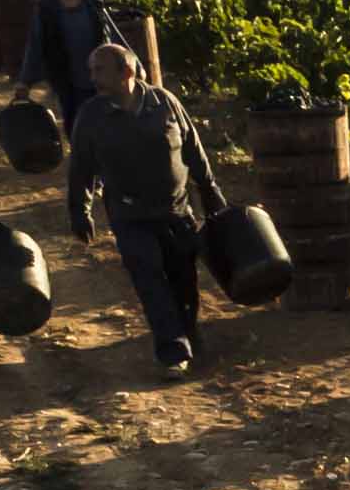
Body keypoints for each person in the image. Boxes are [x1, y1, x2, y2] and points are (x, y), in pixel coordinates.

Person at [62, 39, 229, 377]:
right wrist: (80, 211)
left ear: (126, 71)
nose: (93, 78)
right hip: (130, 216)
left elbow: (193, 150)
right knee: (150, 279)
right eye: (91, 71)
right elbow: (80, 168)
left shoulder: (163, 102)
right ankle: (172, 352)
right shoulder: (92, 116)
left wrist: (210, 190)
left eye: (100, 70)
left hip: (176, 211)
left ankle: (187, 334)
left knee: (184, 280)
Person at [18, 0, 126, 125]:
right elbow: (35, 46)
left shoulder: (94, 6)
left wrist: (134, 64)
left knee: (107, 120)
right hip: (66, 77)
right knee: (75, 122)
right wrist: (25, 81)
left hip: (101, 76)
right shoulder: (46, 11)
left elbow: (114, 37)